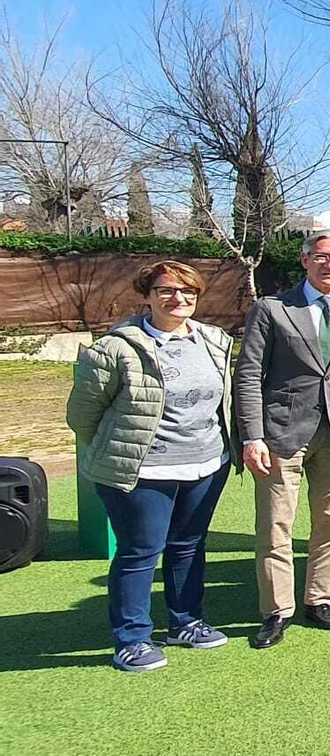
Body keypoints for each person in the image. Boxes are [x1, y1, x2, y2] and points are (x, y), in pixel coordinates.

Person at [65, 261, 235, 671]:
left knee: (188, 546)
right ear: (147, 295)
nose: (178, 299)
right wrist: (123, 449)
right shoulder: (117, 346)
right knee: (140, 551)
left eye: (187, 292)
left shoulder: (215, 340)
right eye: (166, 291)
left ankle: (186, 622)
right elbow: (83, 414)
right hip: (143, 472)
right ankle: (132, 638)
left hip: (206, 464)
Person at [235, 230, 330, 650]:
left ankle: (320, 598)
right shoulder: (272, 309)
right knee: (277, 524)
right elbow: (247, 375)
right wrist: (252, 435)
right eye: (321, 256)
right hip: (281, 434)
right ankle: (276, 611)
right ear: (305, 260)